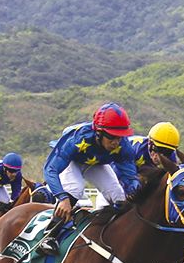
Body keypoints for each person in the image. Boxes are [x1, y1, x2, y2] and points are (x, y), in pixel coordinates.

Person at [36, 102, 137, 252]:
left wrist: (136, 192)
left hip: (96, 164)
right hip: (72, 161)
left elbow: (131, 178)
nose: (116, 142)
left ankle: (114, 235)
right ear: (99, 132)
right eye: (111, 136)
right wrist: (62, 198)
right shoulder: (76, 139)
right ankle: (49, 235)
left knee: (118, 196)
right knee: (75, 189)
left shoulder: (124, 147)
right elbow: (50, 169)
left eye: (120, 137)